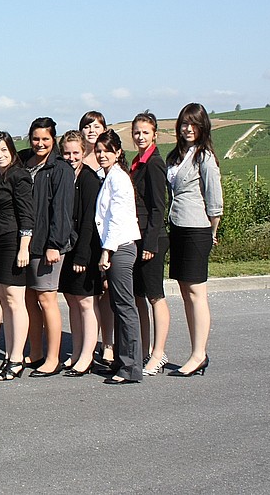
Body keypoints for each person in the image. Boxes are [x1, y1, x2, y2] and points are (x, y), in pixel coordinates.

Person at [166, 103, 222, 377]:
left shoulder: (205, 157)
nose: (188, 129)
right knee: (186, 291)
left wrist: (212, 233)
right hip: (177, 226)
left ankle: (199, 353)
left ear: (202, 127)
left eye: (193, 124)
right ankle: (195, 351)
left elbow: (215, 200)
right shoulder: (177, 156)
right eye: (184, 124)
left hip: (197, 229)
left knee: (197, 293)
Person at [21, 117, 73, 377]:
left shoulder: (60, 169)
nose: (40, 143)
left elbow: (62, 210)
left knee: (47, 298)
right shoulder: (24, 161)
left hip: (48, 245)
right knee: (29, 298)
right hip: (27, 243)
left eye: (45, 139)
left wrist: (55, 244)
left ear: (54, 140)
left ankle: (53, 358)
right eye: (36, 138)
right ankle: (37, 351)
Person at [93, 129, 143, 385]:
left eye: (107, 151)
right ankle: (124, 362)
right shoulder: (109, 176)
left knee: (124, 307)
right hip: (116, 247)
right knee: (119, 306)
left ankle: (130, 367)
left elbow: (118, 217)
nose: (102, 155)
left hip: (120, 247)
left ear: (118, 153)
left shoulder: (119, 178)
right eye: (99, 151)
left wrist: (107, 250)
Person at [0, 132, 34, 381]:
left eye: (4, 150)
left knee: (15, 300)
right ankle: (10, 355)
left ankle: (16, 359)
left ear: (12, 151)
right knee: (4, 299)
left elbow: (27, 214)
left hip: (14, 242)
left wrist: (24, 247)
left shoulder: (18, 176)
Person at [57, 130, 103, 377]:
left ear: (84, 152)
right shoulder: (63, 175)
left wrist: (83, 256)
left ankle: (87, 355)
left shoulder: (89, 179)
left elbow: (88, 220)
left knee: (86, 302)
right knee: (72, 300)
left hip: (84, 248)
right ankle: (75, 352)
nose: (71, 157)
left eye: (76, 152)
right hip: (66, 247)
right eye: (67, 152)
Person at [129, 112, 171, 376]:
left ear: (154, 134)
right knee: (138, 297)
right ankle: (143, 350)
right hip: (138, 235)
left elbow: (158, 206)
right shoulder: (137, 162)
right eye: (137, 132)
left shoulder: (154, 163)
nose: (140, 136)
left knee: (155, 296)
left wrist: (151, 243)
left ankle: (158, 353)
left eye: (145, 132)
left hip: (152, 238)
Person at [79, 110, 114, 364]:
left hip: (106, 234)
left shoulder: (107, 160)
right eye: (87, 126)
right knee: (91, 292)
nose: (92, 130)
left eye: (97, 126)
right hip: (86, 234)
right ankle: (89, 343)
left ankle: (109, 343)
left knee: (106, 291)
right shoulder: (79, 160)